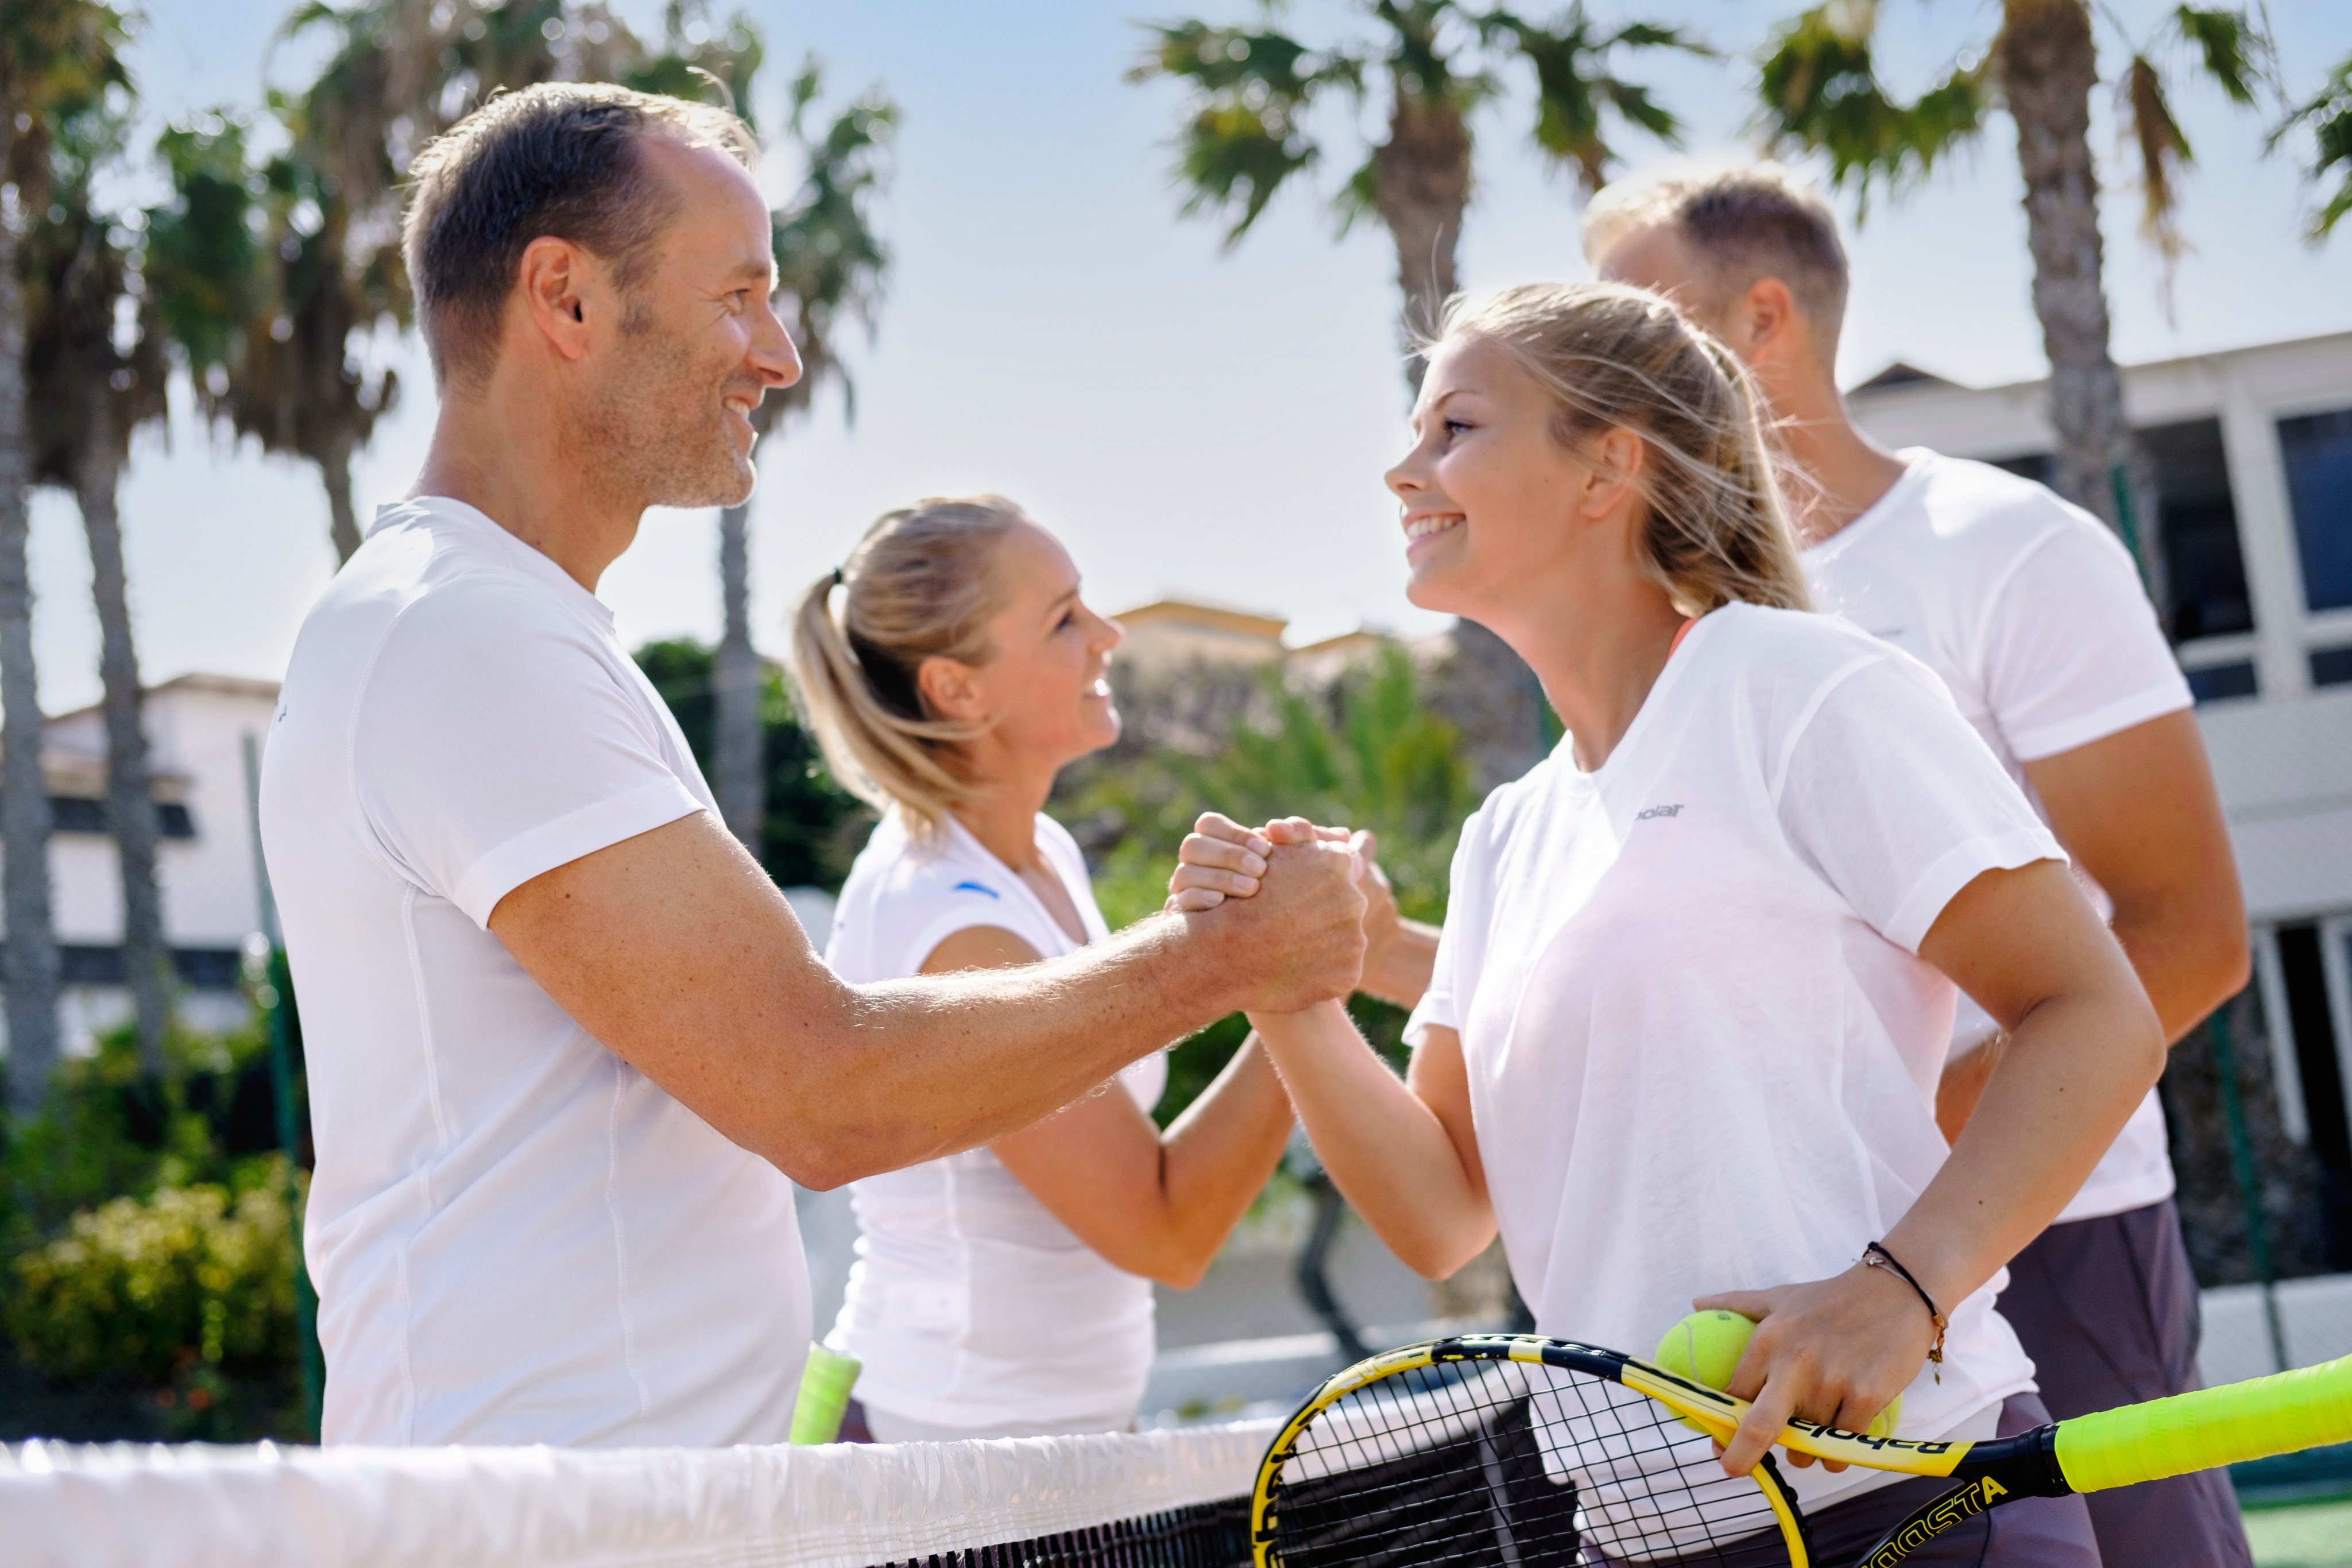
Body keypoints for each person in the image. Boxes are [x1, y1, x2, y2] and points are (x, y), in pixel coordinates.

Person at [256, 83, 1365, 1450]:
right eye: (737, 296)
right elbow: (817, 1088)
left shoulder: (501, 629)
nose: (776, 354)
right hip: (557, 1529)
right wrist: (1224, 961)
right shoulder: (464, 635)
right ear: (567, 299)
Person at [1173, 280, 2166, 1563]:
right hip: (1633, 1537)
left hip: (1907, 1505)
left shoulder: (1801, 688)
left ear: (1606, 468)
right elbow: (1439, 1207)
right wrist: (1288, 989)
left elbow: (2094, 1013)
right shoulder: (1503, 836)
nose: (1399, 469)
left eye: (1453, 427)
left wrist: (1901, 1292)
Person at [1582, 164, 2252, 1566]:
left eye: (1633, 311)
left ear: (1760, 318)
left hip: (2056, 1233)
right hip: (1804, 1281)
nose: (1595, 357)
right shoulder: (1668, 648)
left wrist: (1913, 1199)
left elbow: (2184, 934)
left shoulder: (2003, 550)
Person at [785, 496, 1297, 1442]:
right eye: (1065, 618)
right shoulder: (950, 926)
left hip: (1048, 1440)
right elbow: (1163, 1228)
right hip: (941, 1461)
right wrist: (1298, 985)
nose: (1107, 635)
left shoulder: (1040, 851)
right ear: (958, 689)